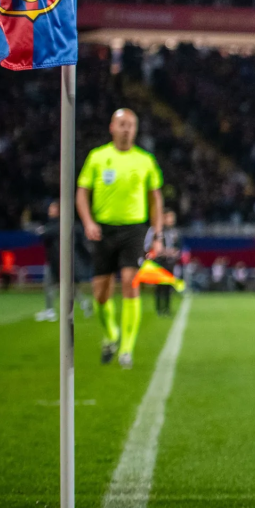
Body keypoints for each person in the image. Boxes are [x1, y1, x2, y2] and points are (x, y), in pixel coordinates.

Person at [75, 108, 164, 370]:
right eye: (122, 124)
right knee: (100, 293)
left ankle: (126, 347)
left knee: (130, 283)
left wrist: (156, 235)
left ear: (135, 130)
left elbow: (156, 200)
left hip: (134, 230)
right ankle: (111, 333)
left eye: (131, 124)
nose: (127, 128)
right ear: (111, 127)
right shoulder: (98, 157)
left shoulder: (145, 160)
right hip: (103, 230)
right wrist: (88, 222)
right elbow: (82, 193)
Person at [36, 199, 92, 323]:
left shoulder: (58, 225)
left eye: (53, 208)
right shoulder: (60, 224)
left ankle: (51, 311)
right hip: (57, 261)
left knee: (56, 286)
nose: (51, 210)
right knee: (67, 288)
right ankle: (84, 303)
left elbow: (44, 235)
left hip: (59, 262)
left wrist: (42, 231)